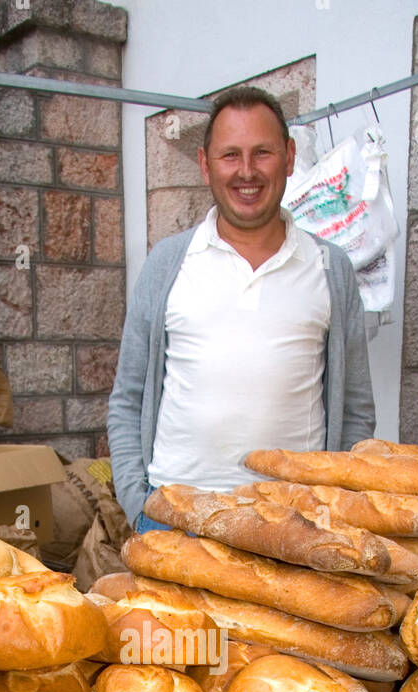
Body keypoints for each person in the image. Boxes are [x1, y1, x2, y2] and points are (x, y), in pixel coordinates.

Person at [107, 84, 376, 533]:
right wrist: (138, 501)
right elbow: (127, 399)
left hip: (293, 524)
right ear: (204, 163)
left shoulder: (331, 268)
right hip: (175, 518)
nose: (246, 172)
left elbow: (355, 411)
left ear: (289, 157)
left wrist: (336, 508)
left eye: (262, 153)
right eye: (230, 155)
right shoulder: (167, 264)